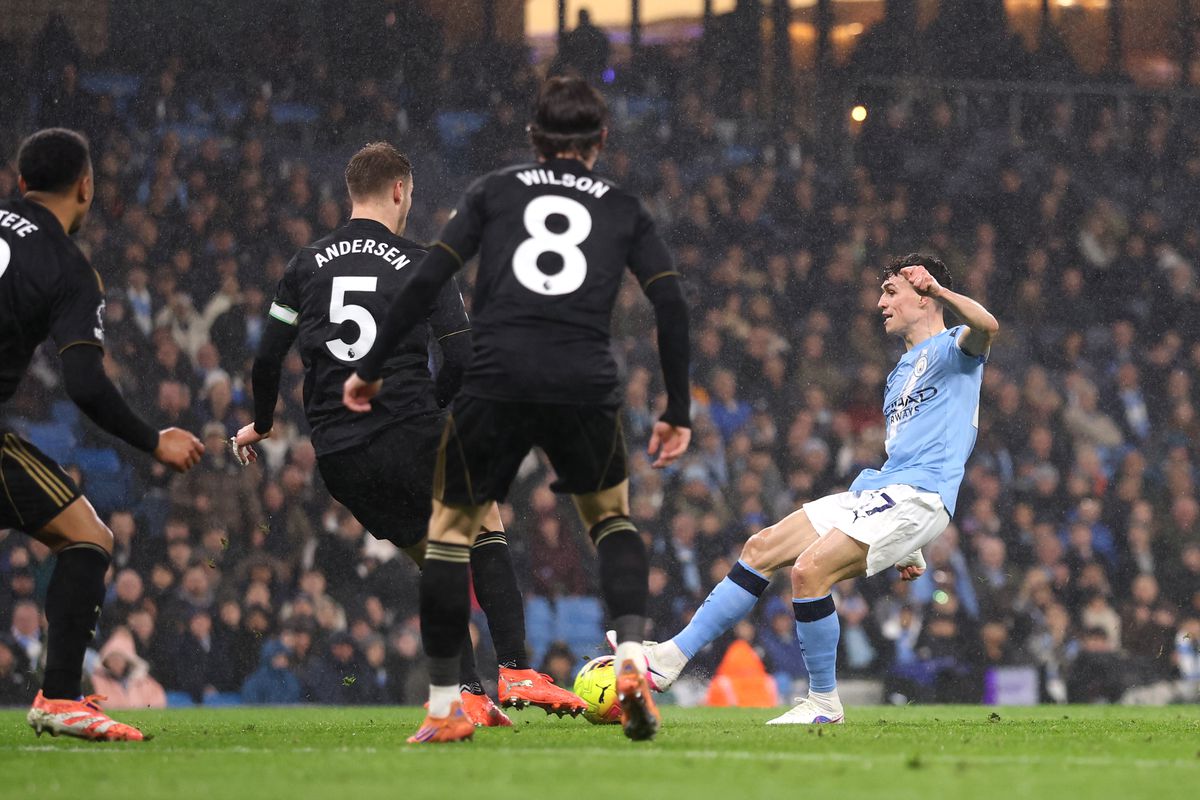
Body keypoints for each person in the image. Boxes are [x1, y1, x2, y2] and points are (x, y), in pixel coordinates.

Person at [344, 77, 692, 743]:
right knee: (610, 522)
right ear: (601, 141)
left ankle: (450, 706)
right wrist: (676, 405)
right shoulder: (622, 205)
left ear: (534, 140)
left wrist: (369, 367)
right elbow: (670, 303)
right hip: (583, 377)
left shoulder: (496, 191)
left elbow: (423, 282)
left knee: (451, 536)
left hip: (499, 378)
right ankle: (627, 662)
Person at [233, 142, 585, 726]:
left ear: (353, 192)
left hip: (340, 456)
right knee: (485, 518)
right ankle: (519, 671)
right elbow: (463, 362)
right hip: (407, 428)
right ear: (400, 189)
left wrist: (263, 424)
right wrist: (434, 409)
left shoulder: (305, 263)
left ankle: (464, 692)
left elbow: (267, 360)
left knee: (434, 557)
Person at [615, 253, 997, 725]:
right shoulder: (898, 374)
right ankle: (670, 658)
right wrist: (910, 548)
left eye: (891, 292)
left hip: (920, 495)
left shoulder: (955, 349)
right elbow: (906, 451)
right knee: (761, 547)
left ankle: (824, 705)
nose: (880, 303)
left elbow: (988, 325)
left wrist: (940, 290)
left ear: (925, 295)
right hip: (881, 490)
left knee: (809, 571)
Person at [0, 128, 204, 741]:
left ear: (20, 182)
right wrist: (153, 440)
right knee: (88, 538)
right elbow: (85, 386)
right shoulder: (68, 267)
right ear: (86, 186)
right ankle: (59, 696)